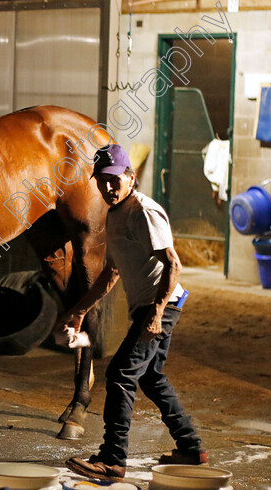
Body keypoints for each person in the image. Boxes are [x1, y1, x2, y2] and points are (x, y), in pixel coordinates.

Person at [61, 144, 205, 482]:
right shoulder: (114, 215)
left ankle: (113, 459)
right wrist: (79, 310)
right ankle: (191, 447)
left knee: (120, 374)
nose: (108, 188)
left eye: (114, 180)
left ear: (131, 177)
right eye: (102, 181)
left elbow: (174, 263)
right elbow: (111, 273)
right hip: (151, 307)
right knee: (151, 378)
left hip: (161, 304)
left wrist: (156, 313)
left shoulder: (143, 211)